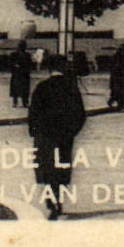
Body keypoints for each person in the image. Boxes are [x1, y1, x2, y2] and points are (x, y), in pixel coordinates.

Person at [28, 55, 87, 220]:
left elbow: (33, 112)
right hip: (64, 137)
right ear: (63, 68)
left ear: (49, 69)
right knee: (61, 169)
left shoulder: (41, 87)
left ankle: (50, 200)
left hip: (44, 136)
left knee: (47, 168)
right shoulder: (70, 88)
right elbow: (80, 114)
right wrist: (72, 132)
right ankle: (58, 200)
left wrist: (35, 132)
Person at [8, 40, 34, 109]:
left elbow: (30, 64)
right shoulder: (13, 54)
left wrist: (28, 69)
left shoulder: (27, 55)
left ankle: (25, 102)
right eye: (21, 46)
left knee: (25, 89)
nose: (22, 47)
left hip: (24, 74)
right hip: (17, 73)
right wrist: (15, 65)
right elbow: (10, 63)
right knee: (15, 88)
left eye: (23, 46)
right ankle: (15, 102)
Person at [107, 44, 124, 111]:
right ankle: (120, 106)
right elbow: (114, 67)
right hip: (116, 77)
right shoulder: (117, 57)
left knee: (120, 92)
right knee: (119, 92)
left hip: (121, 77)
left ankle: (116, 104)